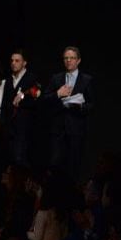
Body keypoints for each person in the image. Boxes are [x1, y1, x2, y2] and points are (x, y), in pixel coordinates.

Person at [42, 46, 94, 181]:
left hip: (76, 128)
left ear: (78, 61)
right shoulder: (56, 78)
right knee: (55, 165)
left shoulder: (87, 79)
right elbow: (45, 99)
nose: (68, 61)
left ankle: (71, 199)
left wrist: (80, 105)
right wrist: (58, 94)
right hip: (58, 129)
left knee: (73, 166)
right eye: (66, 58)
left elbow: (92, 104)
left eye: (72, 58)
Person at [1, 49, 40, 166]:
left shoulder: (31, 78)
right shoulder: (8, 80)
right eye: (12, 60)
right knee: (8, 160)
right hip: (9, 128)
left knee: (20, 160)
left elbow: (36, 100)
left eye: (17, 60)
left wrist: (22, 98)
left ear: (24, 63)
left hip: (24, 128)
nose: (13, 63)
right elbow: (5, 103)